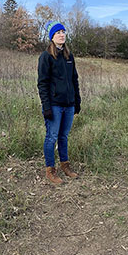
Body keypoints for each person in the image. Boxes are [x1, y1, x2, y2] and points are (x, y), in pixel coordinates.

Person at [37, 21, 81, 184]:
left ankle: (65, 165)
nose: (61, 34)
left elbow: (74, 79)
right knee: (52, 137)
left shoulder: (69, 56)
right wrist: (46, 106)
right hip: (54, 105)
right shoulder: (46, 57)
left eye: (63, 31)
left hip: (68, 104)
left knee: (64, 136)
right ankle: (50, 169)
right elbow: (42, 83)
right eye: (58, 33)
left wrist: (77, 100)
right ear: (52, 37)